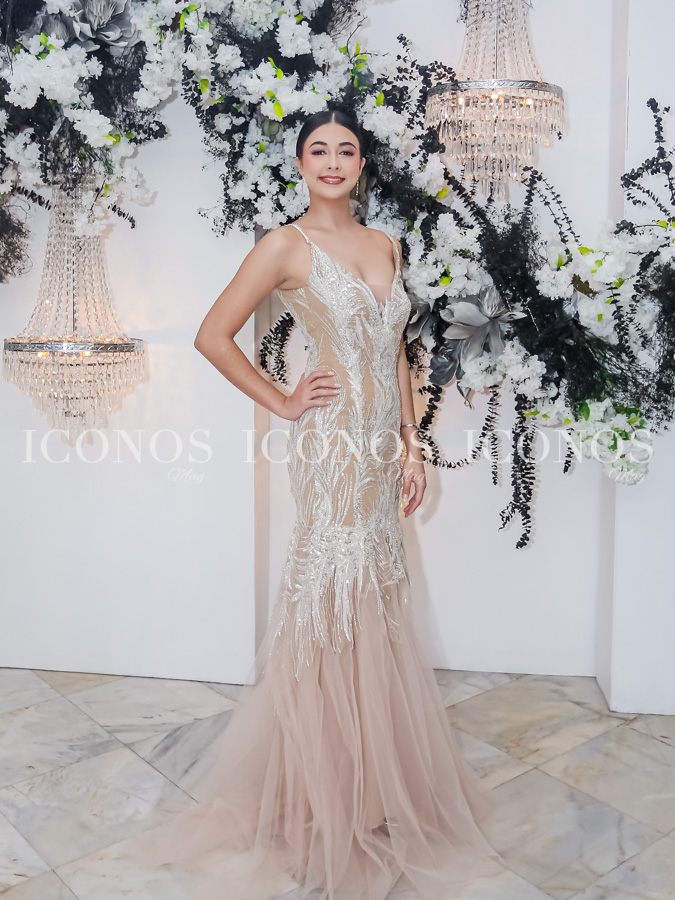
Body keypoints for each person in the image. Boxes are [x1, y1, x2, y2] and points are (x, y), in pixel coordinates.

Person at [133, 108, 502, 900]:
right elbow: (212, 334)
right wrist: (283, 400)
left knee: (375, 592)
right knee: (329, 596)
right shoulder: (284, 245)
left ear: (362, 164)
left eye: (346, 150)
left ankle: (369, 783)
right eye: (317, 150)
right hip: (331, 446)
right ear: (299, 163)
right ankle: (314, 791)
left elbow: (397, 350)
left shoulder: (386, 245)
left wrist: (411, 444)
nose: (332, 161)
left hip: (378, 447)